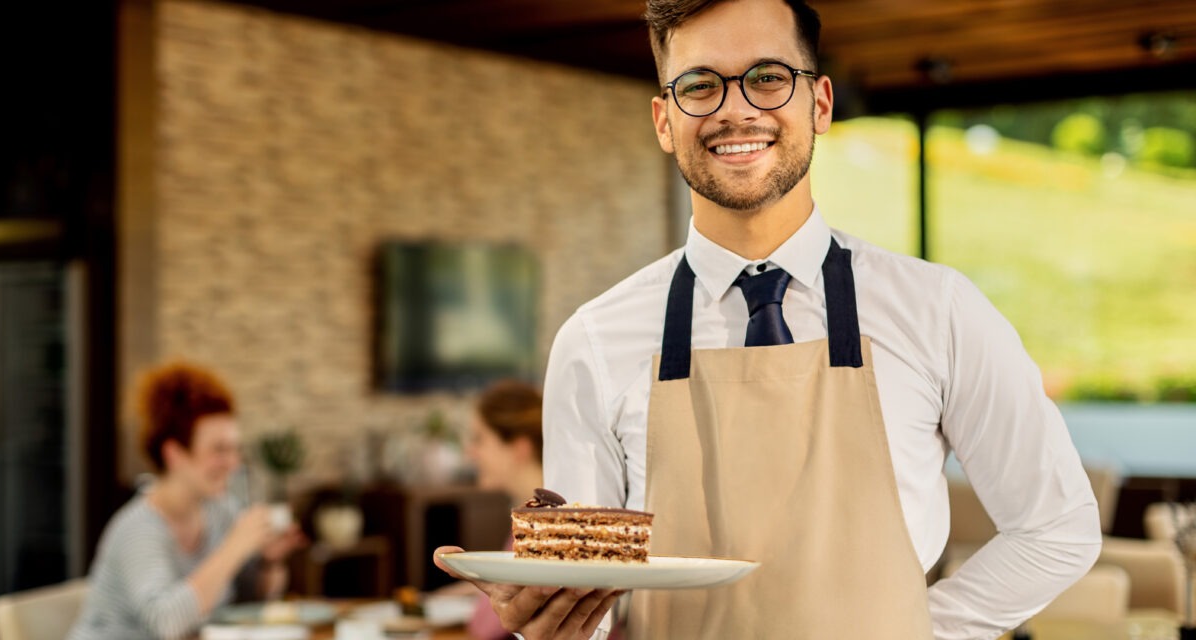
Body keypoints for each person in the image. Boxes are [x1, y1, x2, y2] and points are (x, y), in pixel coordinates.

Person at [435, 0, 1103, 638]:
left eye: (768, 78)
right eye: (700, 85)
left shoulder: (938, 311)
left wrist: (920, 632)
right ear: (665, 121)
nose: (736, 110)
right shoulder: (594, 340)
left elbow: (1056, 526)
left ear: (819, 103)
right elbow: (584, 598)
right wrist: (548, 624)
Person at [69, 362, 306, 640]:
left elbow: (247, 601)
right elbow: (166, 624)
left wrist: (268, 561)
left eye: (235, 449)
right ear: (174, 454)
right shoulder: (137, 529)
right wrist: (235, 547)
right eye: (219, 450)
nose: (233, 462)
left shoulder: (221, 511)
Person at [458, 379, 545, 640]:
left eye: (480, 439)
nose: (470, 453)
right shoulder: (531, 513)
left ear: (519, 448)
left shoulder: (542, 525)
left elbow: (485, 628)